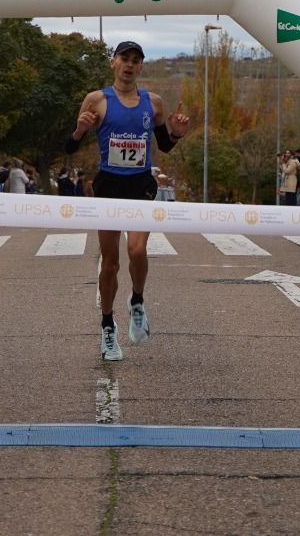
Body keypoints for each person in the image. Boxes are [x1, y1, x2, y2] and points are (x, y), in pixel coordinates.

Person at [66, 40, 192, 361]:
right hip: (108, 186)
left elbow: (164, 146)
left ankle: (137, 300)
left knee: (137, 250)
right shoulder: (96, 100)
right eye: (125, 58)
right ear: (114, 62)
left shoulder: (154, 103)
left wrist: (176, 134)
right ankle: (108, 326)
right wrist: (79, 131)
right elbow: (70, 147)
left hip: (140, 185)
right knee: (110, 262)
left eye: (136, 60)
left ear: (141, 66)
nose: (130, 64)